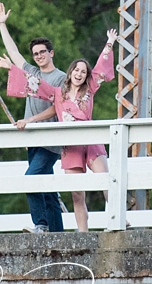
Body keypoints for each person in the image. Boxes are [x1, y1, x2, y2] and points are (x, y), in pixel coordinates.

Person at [15, 31, 115, 233]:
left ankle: (117, 218)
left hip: (90, 141)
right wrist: (28, 120)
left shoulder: (90, 89)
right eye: (76, 70)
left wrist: (110, 43)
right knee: (77, 195)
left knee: (105, 181)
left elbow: (100, 68)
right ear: (70, 73)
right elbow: (37, 87)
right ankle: (82, 234)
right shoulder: (58, 92)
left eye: (83, 72)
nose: (79, 74)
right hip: (70, 146)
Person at [0, 2, 66, 233]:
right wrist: (2, 25)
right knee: (47, 189)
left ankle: (41, 224)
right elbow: (13, 53)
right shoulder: (31, 73)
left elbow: (57, 109)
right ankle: (58, 235)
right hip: (32, 139)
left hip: (49, 140)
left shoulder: (61, 78)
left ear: (51, 53)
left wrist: (31, 121)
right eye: (35, 54)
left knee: (30, 179)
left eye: (43, 52)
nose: (39, 56)